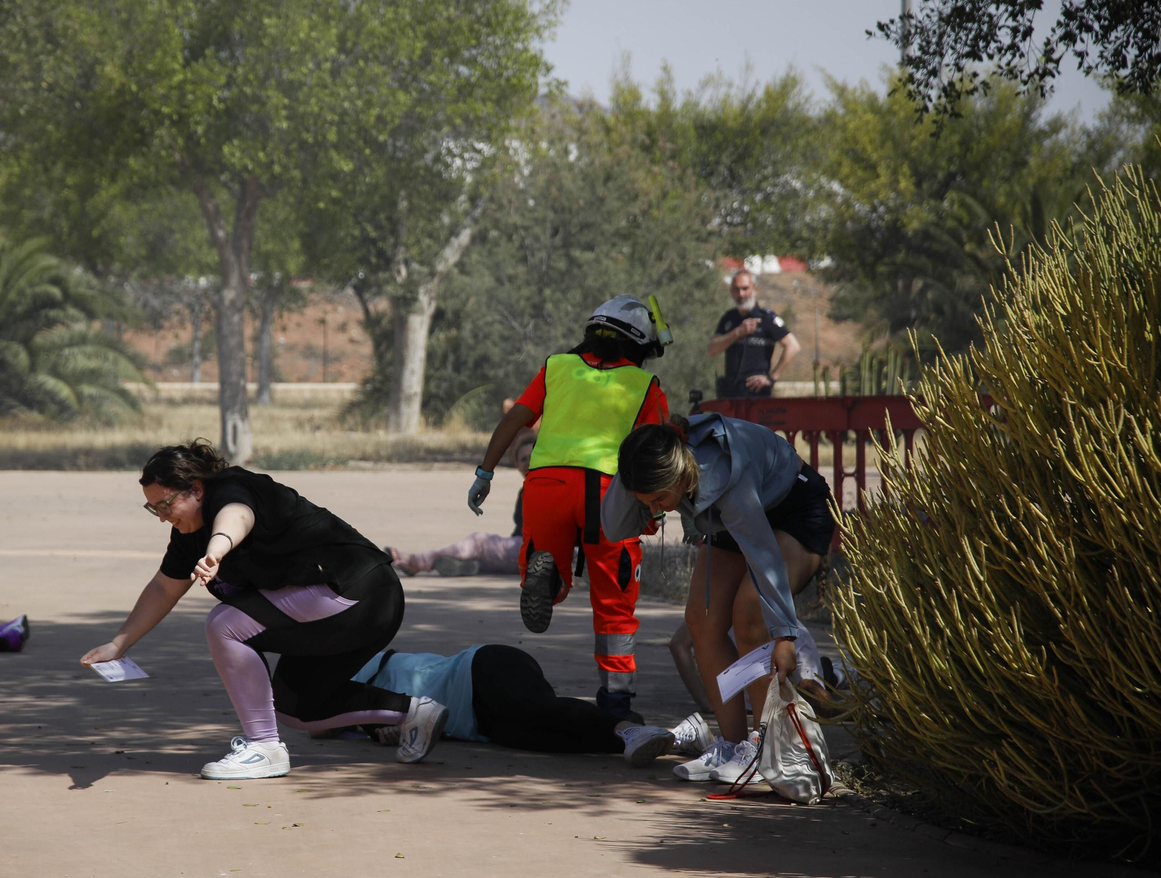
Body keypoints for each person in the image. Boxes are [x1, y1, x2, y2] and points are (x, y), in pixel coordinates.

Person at [79, 441, 450, 780]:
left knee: (225, 625)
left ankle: (264, 749)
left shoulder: (230, 487)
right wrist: (118, 644)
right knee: (296, 706)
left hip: (361, 592)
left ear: (195, 488)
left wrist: (217, 549)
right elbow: (163, 587)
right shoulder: (186, 535)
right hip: (347, 611)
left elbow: (237, 515)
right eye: (152, 508)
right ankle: (416, 712)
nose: (161, 515)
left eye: (165, 504)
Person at [603, 416, 834, 785]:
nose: (654, 510)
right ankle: (732, 744)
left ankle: (763, 750)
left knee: (749, 615)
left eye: (659, 499)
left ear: (680, 476)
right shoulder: (668, 466)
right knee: (702, 620)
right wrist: (628, 467)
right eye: (644, 502)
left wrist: (786, 635)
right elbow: (614, 527)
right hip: (727, 519)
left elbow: (762, 555)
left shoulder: (726, 478)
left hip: (796, 512)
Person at [469, 295, 671, 717]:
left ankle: (549, 581)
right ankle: (616, 700)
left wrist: (485, 474)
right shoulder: (644, 386)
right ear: (637, 346)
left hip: (546, 485)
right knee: (614, 598)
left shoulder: (555, 367)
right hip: (607, 492)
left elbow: (513, 421)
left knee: (545, 569)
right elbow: (656, 452)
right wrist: (653, 509)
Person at [324, 644, 713, 767]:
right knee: (551, 739)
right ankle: (674, 736)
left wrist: (379, 723)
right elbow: (323, 721)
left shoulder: (369, 666)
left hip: (482, 667)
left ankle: (629, 729)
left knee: (537, 712)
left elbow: (321, 715)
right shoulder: (357, 712)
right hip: (480, 724)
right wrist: (386, 731)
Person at [388, 428, 535, 576]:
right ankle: (471, 566)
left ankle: (418, 561)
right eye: (523, 459)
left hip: (539, 550)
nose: (528, 462)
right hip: (531, 554)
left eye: (532, 457)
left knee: (479, 543)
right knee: (487, 556)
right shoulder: (525, 492)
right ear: (517, 465)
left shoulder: (545, 489)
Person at [707, 269, 801, 398]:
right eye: (736, 289)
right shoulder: (728, 319)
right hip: (731, 395)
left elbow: (793, 347)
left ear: (755, 290)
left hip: (757, 396)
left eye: (745, 288)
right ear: (731, 292)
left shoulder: (767, 318)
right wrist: (738, 332)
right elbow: (712, 350)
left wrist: (772, 378)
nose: (741, 294)